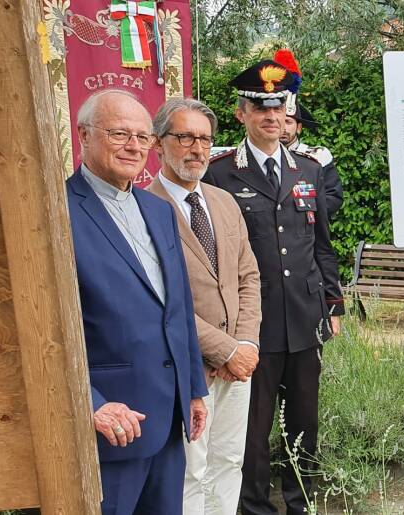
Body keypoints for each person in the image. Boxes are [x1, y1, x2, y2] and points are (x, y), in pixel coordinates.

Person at [204, 60, 345, 515]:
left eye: (278, 107)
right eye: (259, 108)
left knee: (305, 421)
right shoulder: (219, 172)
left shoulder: (309, 169)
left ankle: (302, 503)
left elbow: (321, 241)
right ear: (241, 113)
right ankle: (254, 508)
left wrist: (334, 303)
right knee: (253, 425)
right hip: (252, 321)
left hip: (305, 316)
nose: (271, 117)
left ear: (288, 113)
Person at [66, 89, 208, 514]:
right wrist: (90, 403)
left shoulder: (157, 209)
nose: (133, 146)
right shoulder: (56, 210)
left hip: (167, 421)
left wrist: (194, 389)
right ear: (84, 135)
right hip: (109, 421)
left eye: (143, 137)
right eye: (119, 134)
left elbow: (177, 308)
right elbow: (44, 328)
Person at [147, 97, 262, 515]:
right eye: (185, 137)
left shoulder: (224, 202)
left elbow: (249, 276)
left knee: (229, 462)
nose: (197, 149)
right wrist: (225, 349)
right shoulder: (144, 209)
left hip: (238, 367)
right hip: (188, 367)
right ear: (159, 143)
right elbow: (159, 300)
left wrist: (246, 343)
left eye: (205, 139)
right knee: (190, 473)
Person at [274, 48, 343, 220]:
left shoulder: (317, 157)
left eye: (288, 122)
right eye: (279, 122)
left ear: (299, 127)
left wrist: (304, 216)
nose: (283, 128)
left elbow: (333, 197)